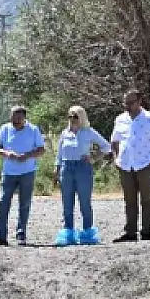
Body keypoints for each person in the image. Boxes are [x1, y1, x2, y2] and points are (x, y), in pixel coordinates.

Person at [110, 89, 150, 242]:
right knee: (129, 199)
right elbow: (114, 140)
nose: (127, 106)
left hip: (144, 164)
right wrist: (116, 158)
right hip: (125, 164)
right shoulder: (120, 119)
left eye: (131, 103)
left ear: (139, 101)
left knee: (147, 198)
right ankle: (130, 232)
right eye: (125, 103)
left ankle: (146, 231)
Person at [54, 105, 112, 246]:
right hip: (66, 168)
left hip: (82, 168)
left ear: (82, 117)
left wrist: (93, 158)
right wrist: (56, 171)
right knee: (67, 202)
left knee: (85, 202)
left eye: (75, 116)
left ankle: (87, 231)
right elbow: (59, 154)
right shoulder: (64, 133)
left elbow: (106, 146)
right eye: (70, 116)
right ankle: (68, 231)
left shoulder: (88, 132)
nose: (72, 119)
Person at [0, 105, 46, 246]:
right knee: (3, 203)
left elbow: (41, 150)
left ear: (24, 118)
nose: (15, 121)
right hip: (8, 172)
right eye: (13, 118)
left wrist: (27, 155)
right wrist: (7, 153)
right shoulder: (5, 129)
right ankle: (1, 236)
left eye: (18, 118)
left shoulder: (34, 130)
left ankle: (21, 234)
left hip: (27, 172)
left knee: (24, 204)